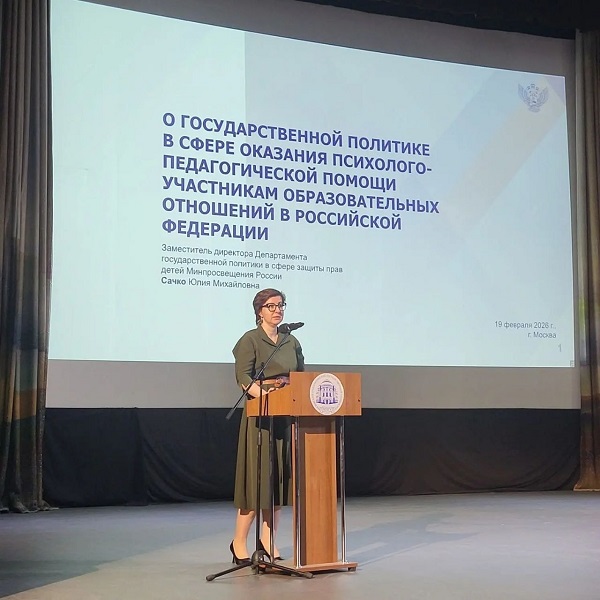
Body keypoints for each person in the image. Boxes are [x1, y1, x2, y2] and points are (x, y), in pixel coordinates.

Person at [230, 288, 305, 565]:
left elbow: (301, 377)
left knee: (277, 482)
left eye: (281, 305)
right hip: (260, 418)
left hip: (284, 416)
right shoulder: (250, 339)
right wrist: (266, 398)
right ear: (259, 311)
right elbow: (243, 377)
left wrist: (288, 390)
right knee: (256, 481)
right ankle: (239, 542)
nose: (278, 310)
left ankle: (268, 540)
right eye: (271, 306)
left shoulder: (290, 340)